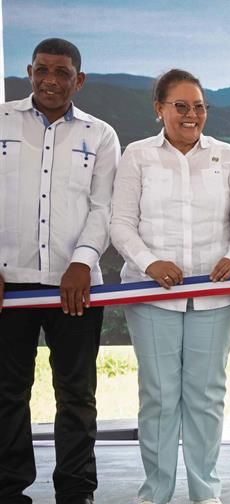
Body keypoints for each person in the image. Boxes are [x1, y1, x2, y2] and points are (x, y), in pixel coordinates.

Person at [110, 69, 230, 504]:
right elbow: (120, 224)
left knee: (206, 396)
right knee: (159, 397)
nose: (192, 114)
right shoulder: (137, 156)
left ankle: (206, 492)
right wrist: (149, 263)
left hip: (215, 296)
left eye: (199, 106)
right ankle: (156, 492)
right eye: (181, 106)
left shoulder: (227, 156)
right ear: (159, 109)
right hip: (151, 295)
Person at [0, 38, 120, 504]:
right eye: (43, 70)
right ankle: (9, 490)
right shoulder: (1, 121)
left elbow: (103, 207)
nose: (50, 80)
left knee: (76, 394)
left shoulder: (101, 135)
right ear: (29, 72)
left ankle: (76, 491)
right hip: (9, 285)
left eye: (62, 72)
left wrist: (81, 261)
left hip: (76, 285)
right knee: (7, 392)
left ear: (79, 79)